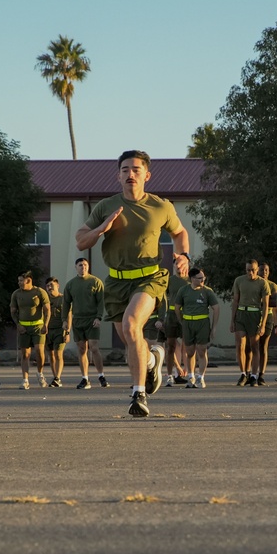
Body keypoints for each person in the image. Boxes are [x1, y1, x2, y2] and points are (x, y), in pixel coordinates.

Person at [74, 150, 189, 418]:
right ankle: (151, 360)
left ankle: (138, 393)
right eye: (125, 170)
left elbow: (180, 232)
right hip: (116, 281)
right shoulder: (106, 206)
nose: (130, 174)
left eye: (136, 170)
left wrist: (183, 256)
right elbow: (81, 241)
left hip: (150, 277)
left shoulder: (161, 206)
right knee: (130, 341)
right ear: (118, 175)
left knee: (131, 324)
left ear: (146, 175)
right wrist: (101, 228)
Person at [62, 257, 108, 390]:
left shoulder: (96, 282)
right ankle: (85, 378)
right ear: (76, 267)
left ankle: (101, 375)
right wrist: (64, 320)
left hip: (92, 319)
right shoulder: (71, 284)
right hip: (78, 320)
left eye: (85, 265)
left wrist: (98, 317)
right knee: (82, 349)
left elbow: (101, 302)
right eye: (81, 265)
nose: (83, 267)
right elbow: (66, 303)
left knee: (94, 347)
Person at [174, 267, 220, 387]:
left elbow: (216, 308)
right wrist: (181, 321)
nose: (202, 280)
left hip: (202, 323)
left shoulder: (207, 291)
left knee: (201, 350)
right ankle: (191, 376)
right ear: (192, 279)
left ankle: (201, 377)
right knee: (189, 352)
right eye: (200, 278)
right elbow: (177, 307)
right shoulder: (183, 290)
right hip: (188, 323)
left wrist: (214, 327)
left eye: (203, 278)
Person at [230, 259, 269, 387]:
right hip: (241, 314)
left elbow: (265, 305)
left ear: (257, 270)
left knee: (254, 346)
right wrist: (232, 320)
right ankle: (243, 374)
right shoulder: (239, 281)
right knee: (240, 345)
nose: (250, 273)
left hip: (255, 315)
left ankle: (253, 375)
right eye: (248, 270)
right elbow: (235, 300)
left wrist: (263, 324)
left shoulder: (262, 283)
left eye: (253, 270)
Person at [11, 271, 50, 389]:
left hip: (38, 326)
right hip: (24, 327)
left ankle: (40, 373)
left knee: (39, 350)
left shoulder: (39, 292)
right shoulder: (16, 294)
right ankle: (25, 379)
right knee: (25, 354)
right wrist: (18, 324)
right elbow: (13, 311)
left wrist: (46, 324)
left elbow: (47, 310)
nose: (19, 283)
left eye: (21, 281)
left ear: (28, 280)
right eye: (18, 281)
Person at [162, 267, 190, 387]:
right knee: (171, 346)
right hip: (172, 315)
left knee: (188, 345)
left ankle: (189, 373)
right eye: (176, 264)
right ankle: (170, 376)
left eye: (181, 264)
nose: (179, 267)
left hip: (186, 315)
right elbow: (163, 298)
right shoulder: (170, 280)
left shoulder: (190, 280)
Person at [255, 262, 277, 386]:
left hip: (268, 316)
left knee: (263, 346)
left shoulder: (273, 286)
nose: (263, 272)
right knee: (252, 345)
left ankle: (261, 374)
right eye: (261, 270)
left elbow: (275, 302)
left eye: (266, 270)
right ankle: (250, 373)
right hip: (254, 315)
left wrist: (264, 301)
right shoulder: (254, 284)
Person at [43, 276, 66, 387]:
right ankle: (55, 377)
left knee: (58, 354)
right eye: (47, 286)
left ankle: (58, 377)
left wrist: (67, 331)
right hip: (47, 330)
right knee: (50, 355)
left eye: (52, 285)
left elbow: (68, 316)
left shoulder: (63, 299)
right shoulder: (45, 300)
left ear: (57, 286)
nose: (49, 287)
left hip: (59, 329)